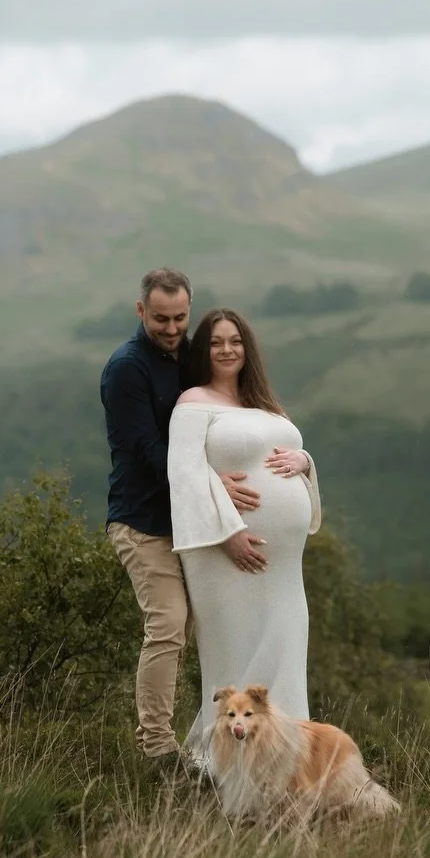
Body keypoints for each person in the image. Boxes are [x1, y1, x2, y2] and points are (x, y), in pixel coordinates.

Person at [100, 269, 261, 767]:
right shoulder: (126, 369)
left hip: (192, 521)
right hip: (143, 522)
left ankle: (216, 741)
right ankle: (156, 749)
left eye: (180, 318)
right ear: (140, 311)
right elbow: (149, 450)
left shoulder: (189, 356)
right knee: (168, 625)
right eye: (161, 319)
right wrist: (215, 482)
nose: (172, 329)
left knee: (203, 625)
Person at [167, 307, 322, 763]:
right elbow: (185, 474)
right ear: (203, 351)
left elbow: (289, 455)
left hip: (283, 566)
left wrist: (306, 462)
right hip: (225, 555)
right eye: (216, 342)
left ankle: (285, 756)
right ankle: (221, 763)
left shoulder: (264, 404)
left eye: (235, 341)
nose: (227, 349)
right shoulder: (193, 402)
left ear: (247, 347)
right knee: (235, 650)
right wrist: (229, 532)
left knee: (288, 644)